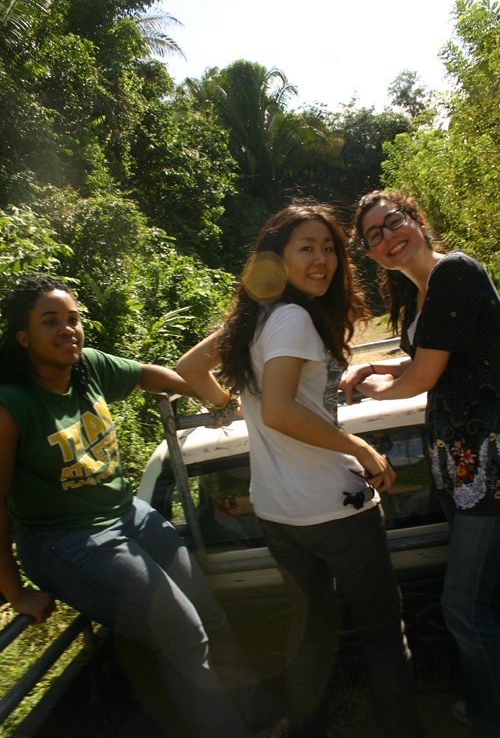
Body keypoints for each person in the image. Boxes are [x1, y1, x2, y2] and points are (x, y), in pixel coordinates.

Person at [176, 203, 426, 738]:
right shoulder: (291, 319)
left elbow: (190, 370)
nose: (322, 260)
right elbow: (282, 411)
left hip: (278, 514)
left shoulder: (251, 319)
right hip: (334, 508)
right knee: (383, 632)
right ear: (277, 257)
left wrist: (230, 403)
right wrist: (360, 448)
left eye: (329, 247)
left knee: (311, 634)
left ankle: (307, 729)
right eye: (306, 248)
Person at [0, 275, 283, 738]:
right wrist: (15, 592)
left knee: (210, 614)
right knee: (182, 635)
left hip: (125, 515)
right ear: (23, 337)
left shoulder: (87, 367)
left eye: (72, 319)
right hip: (64, 540)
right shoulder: (12, 406)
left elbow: (146, 374)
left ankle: (256, 711)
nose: (67, 329)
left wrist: (209, 395)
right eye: (50, 322)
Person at [343, 190, 500, 738]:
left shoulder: (455, 272)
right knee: (486, 596)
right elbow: (427, 352)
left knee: (462, 606)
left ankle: (489, 717)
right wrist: (380, 363)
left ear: (416, 220)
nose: (388, 238)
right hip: (459, 466)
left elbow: (423, 378)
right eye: (374, 236)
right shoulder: (418, 293)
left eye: (394, 223)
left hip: (489, 466)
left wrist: (366, 393)